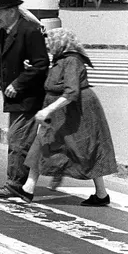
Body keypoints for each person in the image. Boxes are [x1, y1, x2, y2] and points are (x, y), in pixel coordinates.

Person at [21, 27, 118, 205]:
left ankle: (102, 194)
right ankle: (28, 188)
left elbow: (71, 91)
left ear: (60, 42)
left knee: (85, 151)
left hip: (78, 112)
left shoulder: (72, 60)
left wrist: (47, 110)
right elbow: (56, 81)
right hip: (63, 112)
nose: (48, 45)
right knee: (42, 143)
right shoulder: (61, 60)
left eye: (50, 42)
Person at [0, 0, 50, 200]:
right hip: (15, 98)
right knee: (16, 140)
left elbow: (41, 64)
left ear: (11, 11)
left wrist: (18, 83)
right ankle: (17, 182)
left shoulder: (30, 31)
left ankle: (16, 184)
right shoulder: (3, 33)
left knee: (18, 140)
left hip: (29, 97)